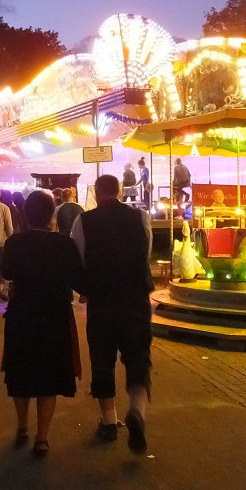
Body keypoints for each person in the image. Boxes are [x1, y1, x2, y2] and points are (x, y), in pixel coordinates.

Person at [70, 174, 154, 454]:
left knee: (102, 359)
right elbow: (146, 255)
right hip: (135, 301)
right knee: (138, 357)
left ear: (96, 192)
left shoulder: (83, 222)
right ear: (118, 191)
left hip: (102, 302)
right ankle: (137, 411)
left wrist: (86, 289)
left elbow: (78, 261)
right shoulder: (140, 217)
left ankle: (109, 421)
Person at [1, 191, 84, 458]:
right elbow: (78, 280)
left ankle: (22, 427)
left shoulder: (15, 242)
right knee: (49, 376)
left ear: (26, 214)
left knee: (21, 372)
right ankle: (42, 438)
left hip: (22, 315)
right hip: (54, 316)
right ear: (53, 214)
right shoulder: (64, 245)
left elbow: (6, 272)